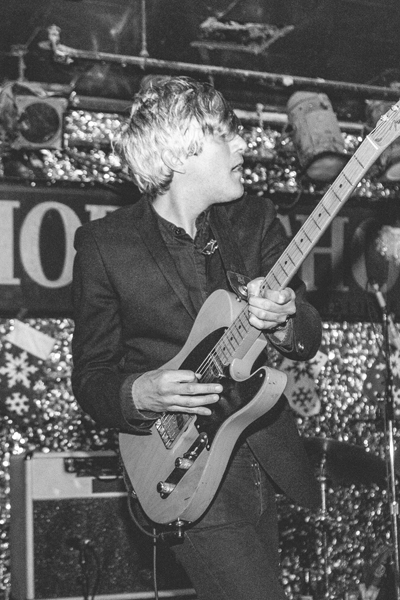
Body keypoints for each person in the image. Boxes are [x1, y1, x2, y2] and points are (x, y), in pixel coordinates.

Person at [70, 76, 323, 600]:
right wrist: (139, 393)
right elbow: (92, 376)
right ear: (180, 152)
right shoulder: (104, 245)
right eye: (226, 135)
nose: (244, 144)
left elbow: (305, 328)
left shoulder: (255, 220)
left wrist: (283, 318)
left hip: (262, 453)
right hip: (180, 464)